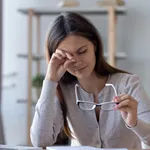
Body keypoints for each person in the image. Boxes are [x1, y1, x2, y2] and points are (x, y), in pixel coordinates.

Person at [30, 12, 150, 148]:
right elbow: (40, 141)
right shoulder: (63, 90)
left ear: (95, 46)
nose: (77, 62)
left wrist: (134, 123)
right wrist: (50, 80)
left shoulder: (128, 84)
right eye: (66, 57)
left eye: (82, 51)